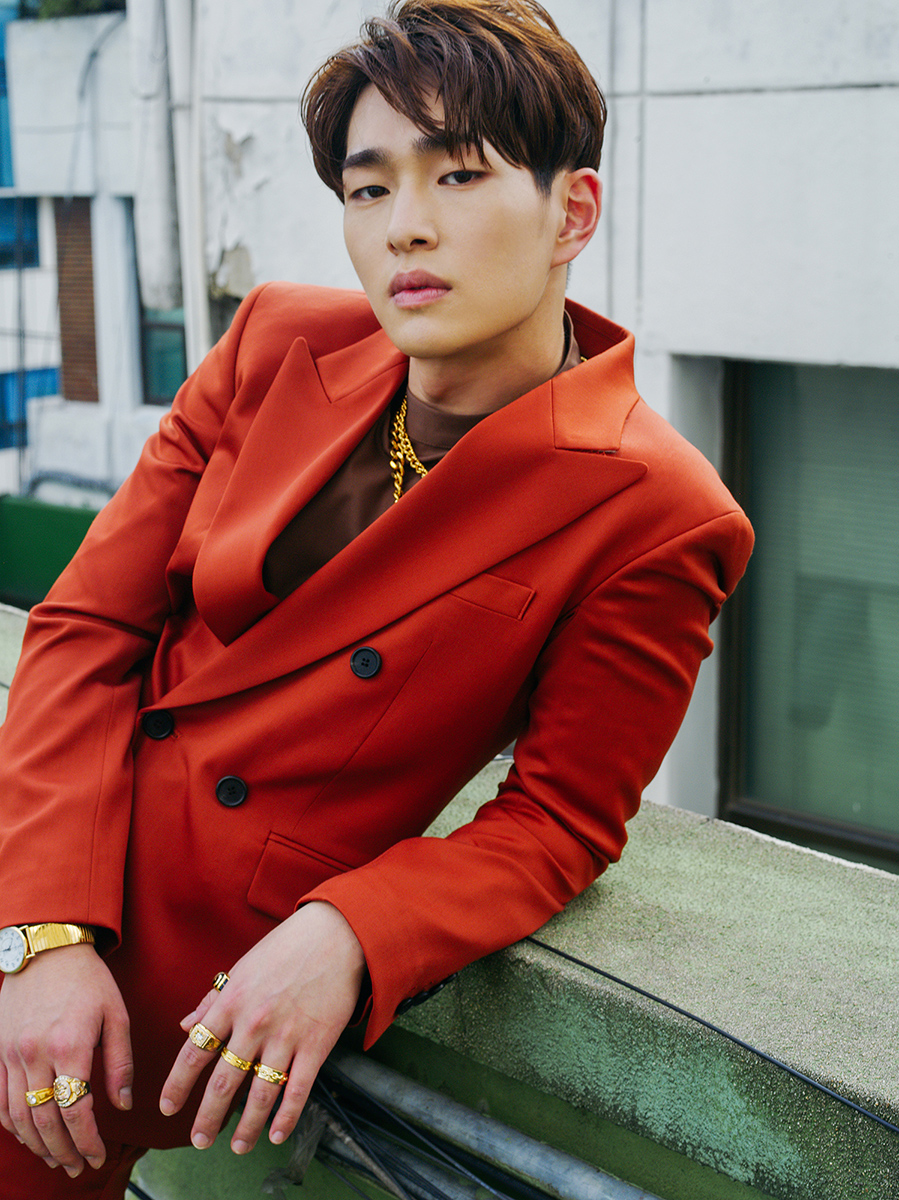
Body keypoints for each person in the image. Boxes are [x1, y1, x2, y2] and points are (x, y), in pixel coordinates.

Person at [0, 1, 753, 1195]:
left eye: (458, 175)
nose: (405, 224)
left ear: (571, 213)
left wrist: (354, 927)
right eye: (367, 187)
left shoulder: (656, 509)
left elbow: (558, 820)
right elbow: (90, 624)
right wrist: (39, 930)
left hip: (144, 1005)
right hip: (40, 878)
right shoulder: (273, 342)